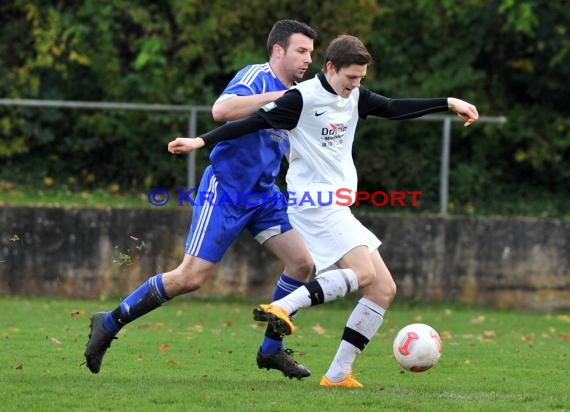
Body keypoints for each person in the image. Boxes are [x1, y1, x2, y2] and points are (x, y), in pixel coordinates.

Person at [167, 34, 479, 388]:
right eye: (350, 78)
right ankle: (283, 307)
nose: (354, 87)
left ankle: (338, 374)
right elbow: (251, 122)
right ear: (330, 68)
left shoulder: (355, 97)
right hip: (313, 205)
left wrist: (450, 102)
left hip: (337, 205)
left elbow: (393, 108)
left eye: (360, 79)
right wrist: (201, 140)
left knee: (382, 289)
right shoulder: (301, 99)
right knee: (362, 274)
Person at [84, 19, 318, 379]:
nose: (307, 59)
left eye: (311, 53)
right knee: (189, 278)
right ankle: (110, 321)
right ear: (278, 50)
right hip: (225, 190)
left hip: (264, 196)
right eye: (301, 51)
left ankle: (270, 351)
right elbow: (221, 111)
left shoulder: (298, 94)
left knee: (302, 265)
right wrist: (276, 98)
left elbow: (290, 147)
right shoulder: (257, 77)